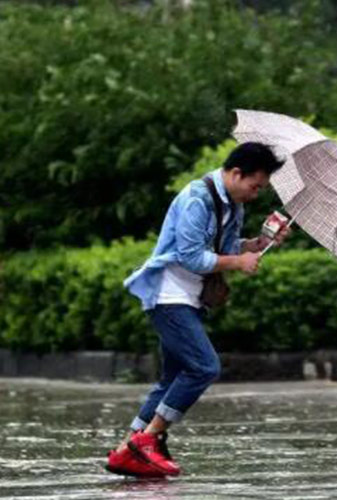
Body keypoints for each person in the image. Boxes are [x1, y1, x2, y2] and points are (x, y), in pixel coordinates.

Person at [105, 142, 291, 478]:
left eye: (261, 188)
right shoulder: (197, 198)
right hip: (168, 296)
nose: (256, 193)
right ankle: (147, 439)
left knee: (172, 379)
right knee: (205, 367)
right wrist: (238, 262)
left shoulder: (233, 205)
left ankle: (125, 451)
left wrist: (259, 244)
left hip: (190, 298)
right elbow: (191, 256)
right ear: (236, 173)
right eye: (255, 185)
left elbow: (225, 246)